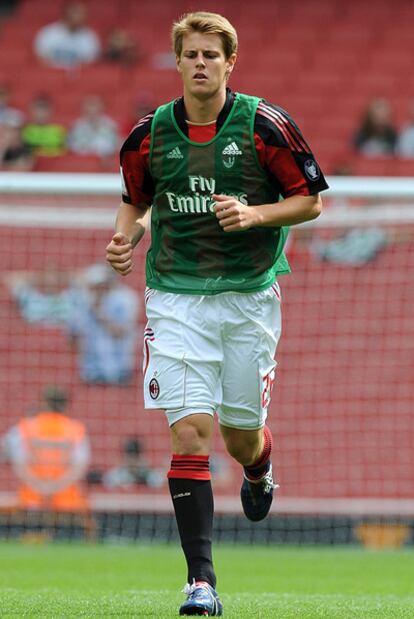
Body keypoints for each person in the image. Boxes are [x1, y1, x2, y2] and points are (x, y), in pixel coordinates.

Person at [106, 12, 328, 616]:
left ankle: (259, 469)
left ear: (230, 63)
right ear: (176, 61)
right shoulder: (147, 137)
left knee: (239, 436)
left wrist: (255, 215)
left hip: (248, 297)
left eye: (212, 54)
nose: (200, 63)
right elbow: (136, 201)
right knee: (188, 433)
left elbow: (309, 201)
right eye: (191, 54)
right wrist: (126, 237)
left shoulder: (264, 124)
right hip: (175, 296)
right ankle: (200, 582)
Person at [1, 386, 90, 512]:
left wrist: (41, 487)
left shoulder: (25, 427)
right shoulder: (75, 429)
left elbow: (19, 464)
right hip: (67, 502)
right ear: (65, 404)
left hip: (31, 499)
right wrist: (54, 487)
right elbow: (79, 467)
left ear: (43, 402)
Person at [67, 263, 139, 385]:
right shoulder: (83, 302)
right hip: (91, 373)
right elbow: (72, 338)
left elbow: (120, 332)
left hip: (120, 371)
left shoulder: (124, 299)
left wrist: (97, 312)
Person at [34, 1, 101, 70]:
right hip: (51, 74)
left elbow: (89, 63)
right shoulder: (48, 33)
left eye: (82, 13)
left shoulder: (90, 36)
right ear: (66, 13)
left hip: (79, 77)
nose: (81, 16)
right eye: (76, 12)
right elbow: (41, 59)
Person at [67, 95, 119, 160]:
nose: (92, 109)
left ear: (101, 108)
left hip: (104, 162)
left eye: (94, 105)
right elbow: (71, 146)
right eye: (90, 105)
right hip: (81, 161)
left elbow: (114, 145)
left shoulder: (111, 125)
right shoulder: (76, 126)